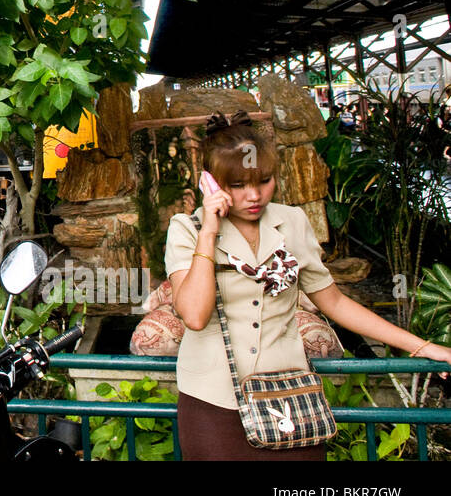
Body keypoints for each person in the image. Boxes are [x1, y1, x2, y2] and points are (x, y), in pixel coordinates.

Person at [166, 112, 451, 461]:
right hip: (213, 401)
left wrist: (421, 347)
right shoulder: (187, 228)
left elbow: (335, 302)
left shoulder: (293, 222)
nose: (254, 196)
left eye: (264, 181)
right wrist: (209, 231)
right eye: (237, 185)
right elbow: (194, 315)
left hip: (290, 395)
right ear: (210, 183)